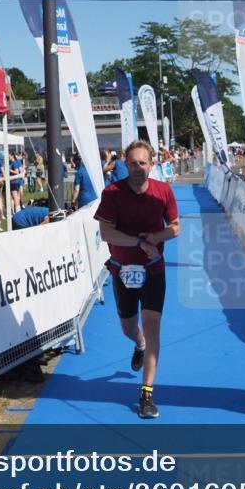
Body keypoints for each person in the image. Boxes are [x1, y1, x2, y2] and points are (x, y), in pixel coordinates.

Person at [95, 140, 180, 420]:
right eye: (133, 163)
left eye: (143, 163)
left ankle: (146, 394)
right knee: (128, 328)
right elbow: (107, 233)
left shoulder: (163, 191)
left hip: (154, 270)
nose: (138, 168)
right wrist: (138, 242)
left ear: (151, 165)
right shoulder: (112, 193)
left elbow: (175, 227)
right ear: (125, 163)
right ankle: (138, 343)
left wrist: (157, 237)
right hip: (122, 269)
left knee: (153, 325)